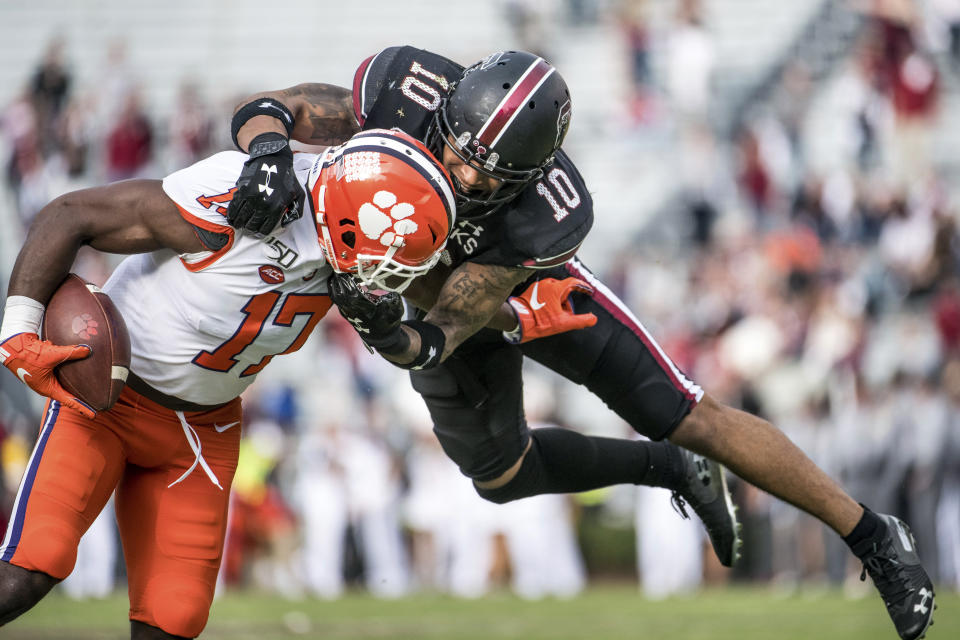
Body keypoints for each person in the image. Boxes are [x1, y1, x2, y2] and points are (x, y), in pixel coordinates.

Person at [228, 47, 936, 639]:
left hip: (527, 297)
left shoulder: (547, 213)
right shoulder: (399, 90)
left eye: (493, 174)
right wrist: (266, 151)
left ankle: (875, 537)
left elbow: (455, 316)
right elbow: (277, 108)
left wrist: (401, 335)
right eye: (464, 154)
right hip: (425, 292)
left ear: (532, 175)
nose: (469, 176)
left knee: (689, 411)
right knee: (498, 480)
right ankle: (668, 471)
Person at [0, 127, 456, 639]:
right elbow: (70, 214)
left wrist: (514, 316)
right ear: (349, 221)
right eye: (383, 255)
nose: (387, 274)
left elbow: (440, 306)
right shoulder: (240, 199)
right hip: (106, 402)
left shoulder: (348, 225)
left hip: (203, 431)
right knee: (33, 566)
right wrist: (17, 330)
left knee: (174, 617)